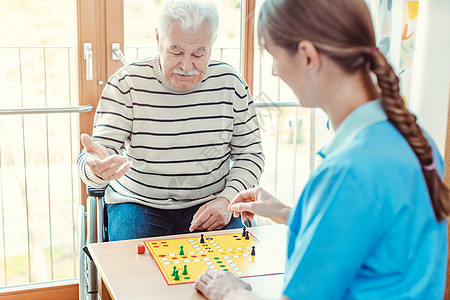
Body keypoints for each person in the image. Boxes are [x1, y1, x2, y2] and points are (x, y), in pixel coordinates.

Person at [193, 0, 450, 299]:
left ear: (307, 56)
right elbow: (372, 236)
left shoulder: (348, 171)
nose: (275, 71)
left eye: (273, 57)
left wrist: (230, 292)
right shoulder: (416, 141)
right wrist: (287, 212)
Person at [76, 0, 264, 241]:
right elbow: (96, 157)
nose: (187, 66)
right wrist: (96, 170)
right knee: (134, 273)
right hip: (137, 202)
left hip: (211, 201)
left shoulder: (230, 83)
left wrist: (228, 198)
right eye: (176, 51)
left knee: (223, 275)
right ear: (158, 39)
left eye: (199, 53)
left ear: (212, 44)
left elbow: (251, 154)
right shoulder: (127, 83)